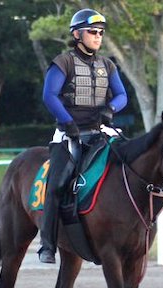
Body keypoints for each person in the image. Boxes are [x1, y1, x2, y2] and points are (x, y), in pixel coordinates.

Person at [39, 8, 128, 264]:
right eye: (93, 32)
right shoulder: (63, 62)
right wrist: (68, 122)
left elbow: (122, 95)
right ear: (77, 33)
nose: (98, 36)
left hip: (100, 132)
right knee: (56, 186)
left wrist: (111, 109)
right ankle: (47, 245)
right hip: (69, 135)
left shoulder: (107, 65)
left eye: (101, 32)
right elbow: (49, 96)